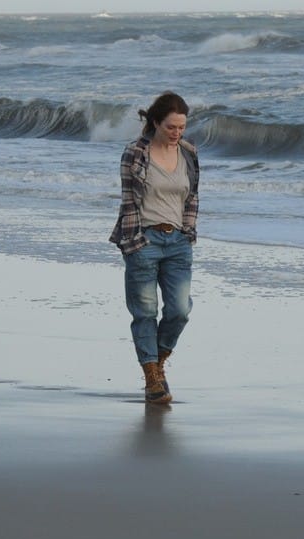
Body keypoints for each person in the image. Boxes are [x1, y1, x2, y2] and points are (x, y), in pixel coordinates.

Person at [110, 91, 199, 404]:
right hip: (144, 240)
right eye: (171, 127)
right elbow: (129, 201)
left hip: (178, 243)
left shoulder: (188, 152)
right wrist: (134, 244)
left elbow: (192, 198)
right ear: (156, 123)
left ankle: (158, 361)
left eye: (181, 127)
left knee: (180, 310)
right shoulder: (136, 152)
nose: (177, 133)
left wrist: (188, 232)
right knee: (145, 311)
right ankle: (151, 377)